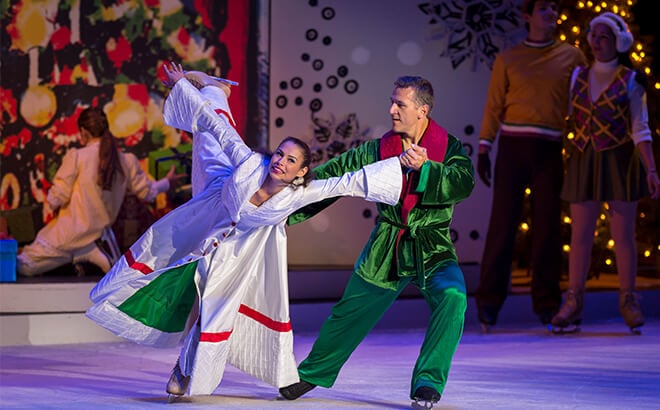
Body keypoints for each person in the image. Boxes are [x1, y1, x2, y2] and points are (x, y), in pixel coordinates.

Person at [85, 63, 405, 399]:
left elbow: (348, 181)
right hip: (216, 195)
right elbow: (216, 125)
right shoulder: (252, 163)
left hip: (236, 252)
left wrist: (402, 163)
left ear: (301, 172)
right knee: (209, 140)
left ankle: (186, 366)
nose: (281, 161)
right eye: (280, 154)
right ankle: (215, 89)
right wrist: (184, 87)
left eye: (290, 160)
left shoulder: (301, 193)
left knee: (212, 302)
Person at [279, 76, 475, 407]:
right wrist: (286, 207)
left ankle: (427, 381)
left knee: (453, 296)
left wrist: (427, 169)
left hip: (433, 247)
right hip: (388, 245)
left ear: (422, 110)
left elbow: (463, 182)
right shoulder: (378, 150)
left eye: (400, 104)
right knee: (350, 311)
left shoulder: (450, 147)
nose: (392, 110)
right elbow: (335, 177)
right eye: (392, 101)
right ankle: (312, 373)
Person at [475, 0, 586, 330]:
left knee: (548, 228)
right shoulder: (509, 58)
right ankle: (489, 303)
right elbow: (494, 105)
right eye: (543, 8)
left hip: (550, 147)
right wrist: (484, 147)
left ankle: (547, 303)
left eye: (554, 8)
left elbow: (580, 105)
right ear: (527, 16)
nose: (551, 13)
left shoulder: (573, 56)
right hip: (512, 146)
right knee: (502, 225)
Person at [550, 12, 660, 334]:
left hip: (619, 161)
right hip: (585, 159)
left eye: (605, 37)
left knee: (622, 236)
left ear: (618, 42)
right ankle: (573, 301)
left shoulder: (630, 80)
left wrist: (651, 168)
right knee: (580, 236)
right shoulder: (578, 77)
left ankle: (628, 300)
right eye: (594, 37)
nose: (597, 43)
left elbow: (640, 128)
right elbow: (566, 114)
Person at [16, 107, 181, 277]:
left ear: (83, 132)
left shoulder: (77, 157)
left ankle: (79, 261)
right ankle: (86, 258)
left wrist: (50, 202)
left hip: (67, 237)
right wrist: (167, 182)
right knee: (111, 283)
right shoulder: (126, 160)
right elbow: (147, 192)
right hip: (98, 236)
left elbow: (57, 198)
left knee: (23, 266)